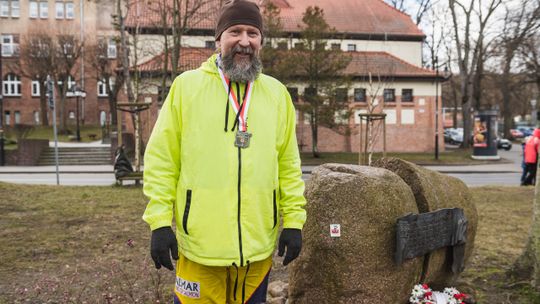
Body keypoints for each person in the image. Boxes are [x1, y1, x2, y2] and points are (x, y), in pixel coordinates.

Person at [142, 1, 307, 303]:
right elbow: (162, 160)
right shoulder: (186, 88)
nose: (244, 41)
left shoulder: (277, 94)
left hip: (256, 255)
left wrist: (294, 221)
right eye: (235, 32)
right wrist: (160, 222)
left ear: (261, 42)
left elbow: (288, 165)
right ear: (218, 40)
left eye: (253, 33)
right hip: (200, 251)